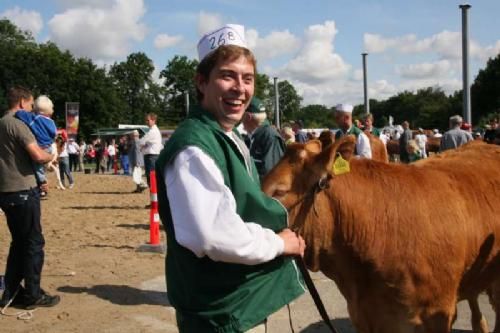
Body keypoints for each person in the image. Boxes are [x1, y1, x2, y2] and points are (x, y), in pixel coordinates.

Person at [155, 24, 305, 333]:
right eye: (227, 76)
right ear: (201, 82)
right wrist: (278, 243)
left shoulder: (226, 135)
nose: (240, 88)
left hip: (237, 303)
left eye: (247, 79)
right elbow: (212, 236)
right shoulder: (194, 147)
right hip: (222, 313)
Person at [0, 86, 60, 309]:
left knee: (19, 243)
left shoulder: (1, 122)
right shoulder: (18, 124)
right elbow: (36, 154)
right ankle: (33, 295)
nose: (33, 108)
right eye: (31, 103)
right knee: (34, 243)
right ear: (23, 102)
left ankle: (11, 291)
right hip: (23, 190)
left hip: (5, 191)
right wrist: (50, 156)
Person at [14, 95, 57, 195]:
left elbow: (19, 113)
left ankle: (42, 183)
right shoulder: (51, 122)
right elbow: (54, 133)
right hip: (49, 147)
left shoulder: (34, 118)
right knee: (42, 167)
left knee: (36, 168)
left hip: (40, 148)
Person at [241, 97, 286, 178]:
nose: (240, 119)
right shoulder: (252, 137)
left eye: (241, 114)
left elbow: (271, 175)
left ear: (248, 117)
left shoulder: (270, 136)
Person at [140, 113, 163, 188]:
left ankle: (154, 195)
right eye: (146, 120)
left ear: (154, 120)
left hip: (151, 156)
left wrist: (143, 144)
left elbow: (141, 141)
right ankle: (154, 194)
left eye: (148, 120)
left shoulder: (152, 131)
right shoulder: (153, 130)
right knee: (152, 176)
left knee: (152, 176)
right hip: (152, 156)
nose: (146, 122)